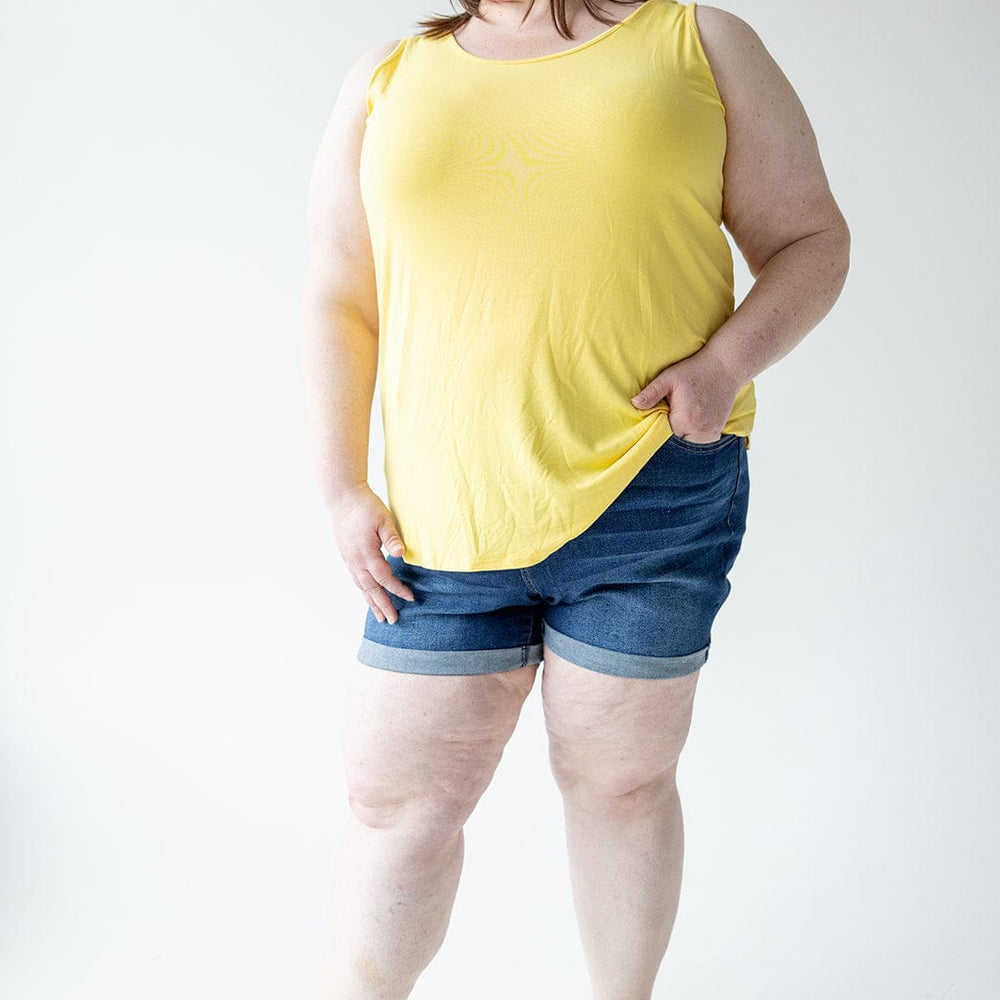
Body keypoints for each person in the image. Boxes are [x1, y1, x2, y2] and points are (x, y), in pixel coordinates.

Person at [301, 0, 849, 996]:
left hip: (650, 491)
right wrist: (342, 486)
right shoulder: (386, 77)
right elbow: (340, 292)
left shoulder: (696, 40)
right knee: (393, 806)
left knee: (621, 787)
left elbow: (811, 238)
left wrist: (725, 364)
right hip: (440, 518)